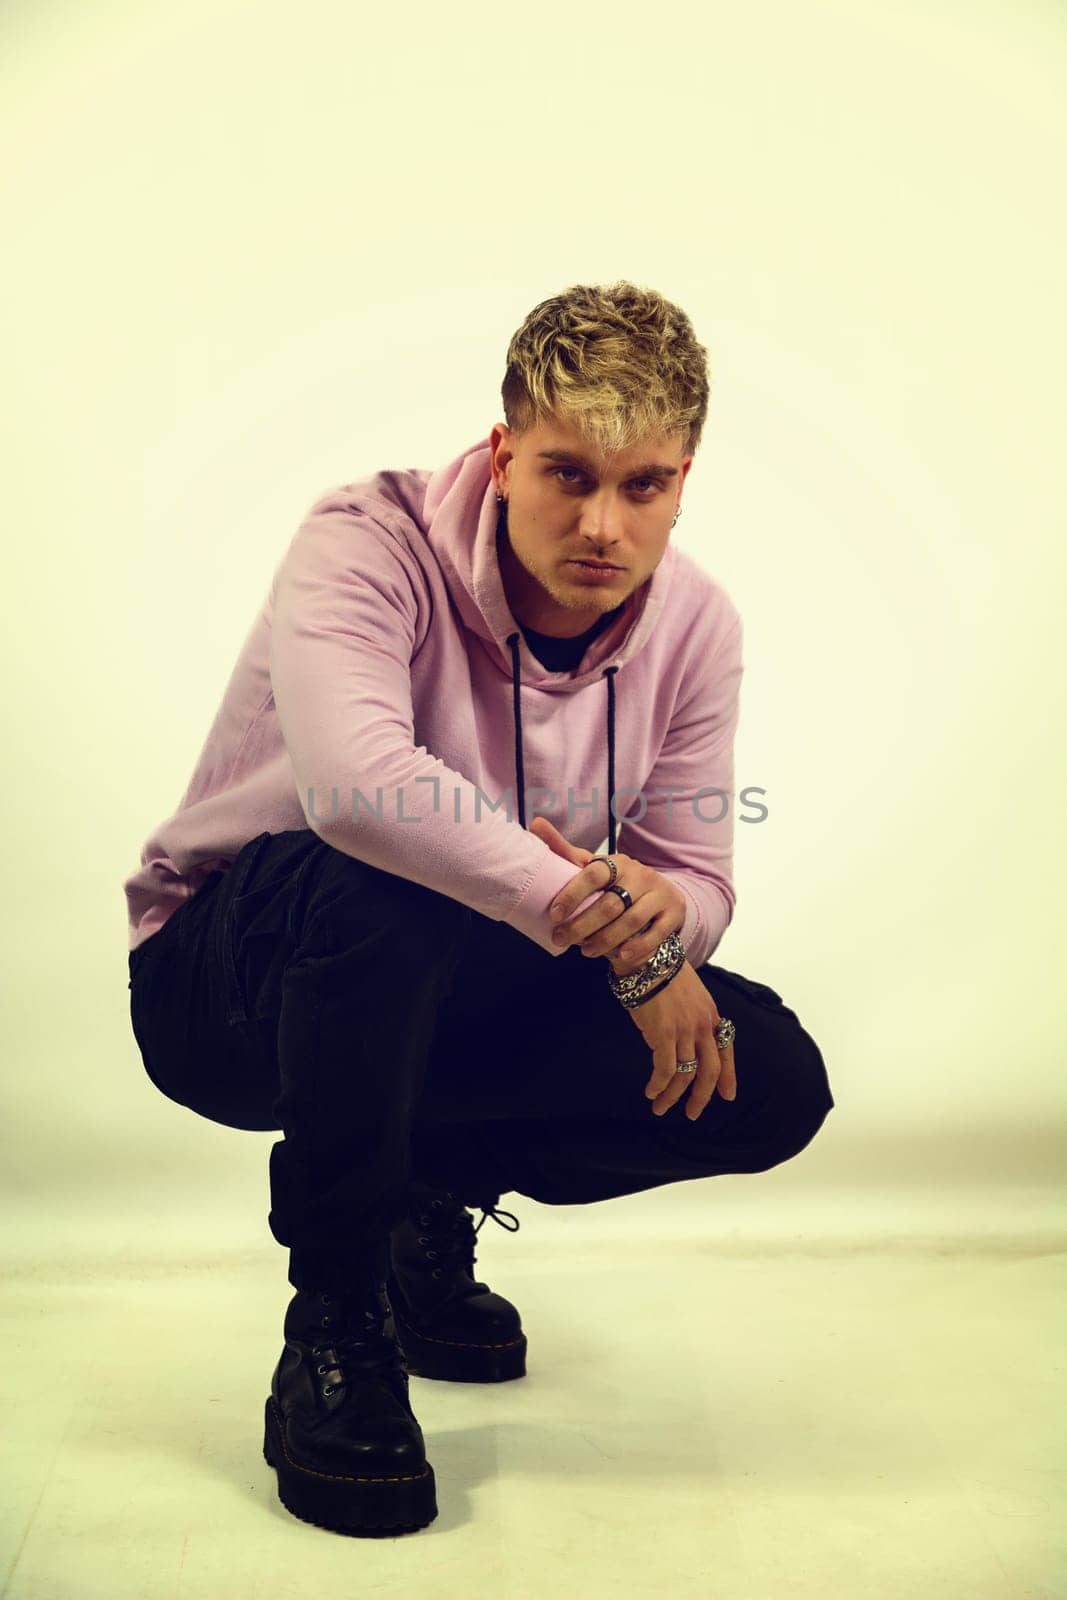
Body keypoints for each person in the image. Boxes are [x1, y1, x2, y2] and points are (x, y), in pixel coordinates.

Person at [124, 279, 834, 1538]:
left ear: (684, 479)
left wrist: (658, 915)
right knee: (388, 878)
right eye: (567, 473)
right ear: (503, 453)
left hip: (434, 989)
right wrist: (593, 915)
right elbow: (356, 790)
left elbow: (698, 868)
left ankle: (420, 1195)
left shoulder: (698, 624)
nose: (602, 523)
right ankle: (335, 1322)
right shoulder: (363, 540)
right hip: (226, 981)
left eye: (644, 484)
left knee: (760, 1067)